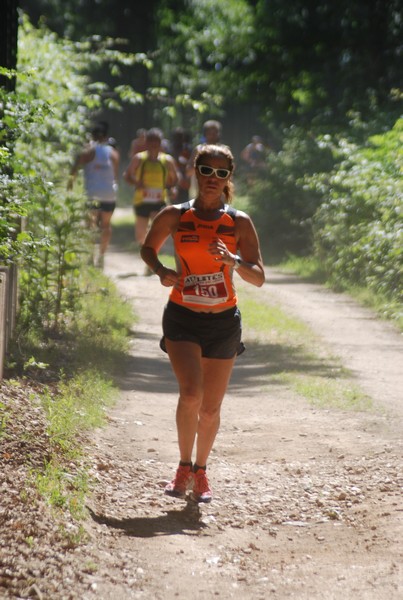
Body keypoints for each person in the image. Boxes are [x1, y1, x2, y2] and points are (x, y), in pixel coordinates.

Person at [140, 144, 265, 503]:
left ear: (229, 179)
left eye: (221, 173)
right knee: (191, 394)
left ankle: (201, 471)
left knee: (210, 408)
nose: (213, 179)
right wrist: (162, 271)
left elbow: (258, 277)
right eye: (207, 171)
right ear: (196, 173)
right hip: (182, 316)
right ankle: (182, 467)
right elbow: (149, 247)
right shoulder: (175, 216)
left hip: (224, 322)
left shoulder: (238, 222)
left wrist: (233, 260)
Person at [67, 121, 119, 268]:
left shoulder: (88, 151)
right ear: (106, 136)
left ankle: (90, 256)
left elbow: (75, 167)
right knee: (106, 225)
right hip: (109, 194)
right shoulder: (114, 153)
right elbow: (115, 176)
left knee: (90, 226)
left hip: (92, 194)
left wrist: (70, 183)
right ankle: (102, 256)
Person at [123, 128, 178, 247]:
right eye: (151, 141)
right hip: (141, 200)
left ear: (160, 142)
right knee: (140, 236)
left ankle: (152, 255)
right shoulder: (139, 158)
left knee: (157, 229)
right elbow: (126, 176)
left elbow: (175, 178)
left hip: (159, 200)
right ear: (146, 142)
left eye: (156, 141)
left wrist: (172, 188)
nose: (154, 144)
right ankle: (147, 250)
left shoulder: (167, 160)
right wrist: (136, 183)